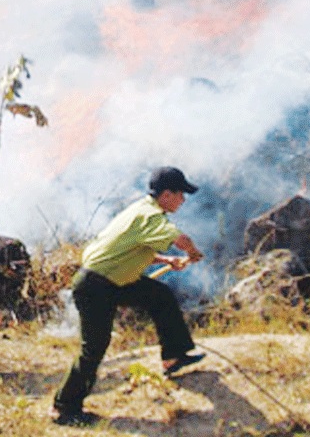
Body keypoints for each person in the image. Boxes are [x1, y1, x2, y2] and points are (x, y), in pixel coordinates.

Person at [51, 167, 207, 425]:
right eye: (181, 194)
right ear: (167, 194)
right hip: (96, 286)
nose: (183, 200)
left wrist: (166, 259)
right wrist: (192, 254)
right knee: (94, 349)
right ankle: (64, 408)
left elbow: (132, 248)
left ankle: (173, 356)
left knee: (160, 295)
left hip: (113, 281)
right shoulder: (151, 217)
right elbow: (182, 238)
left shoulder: (141, 210)